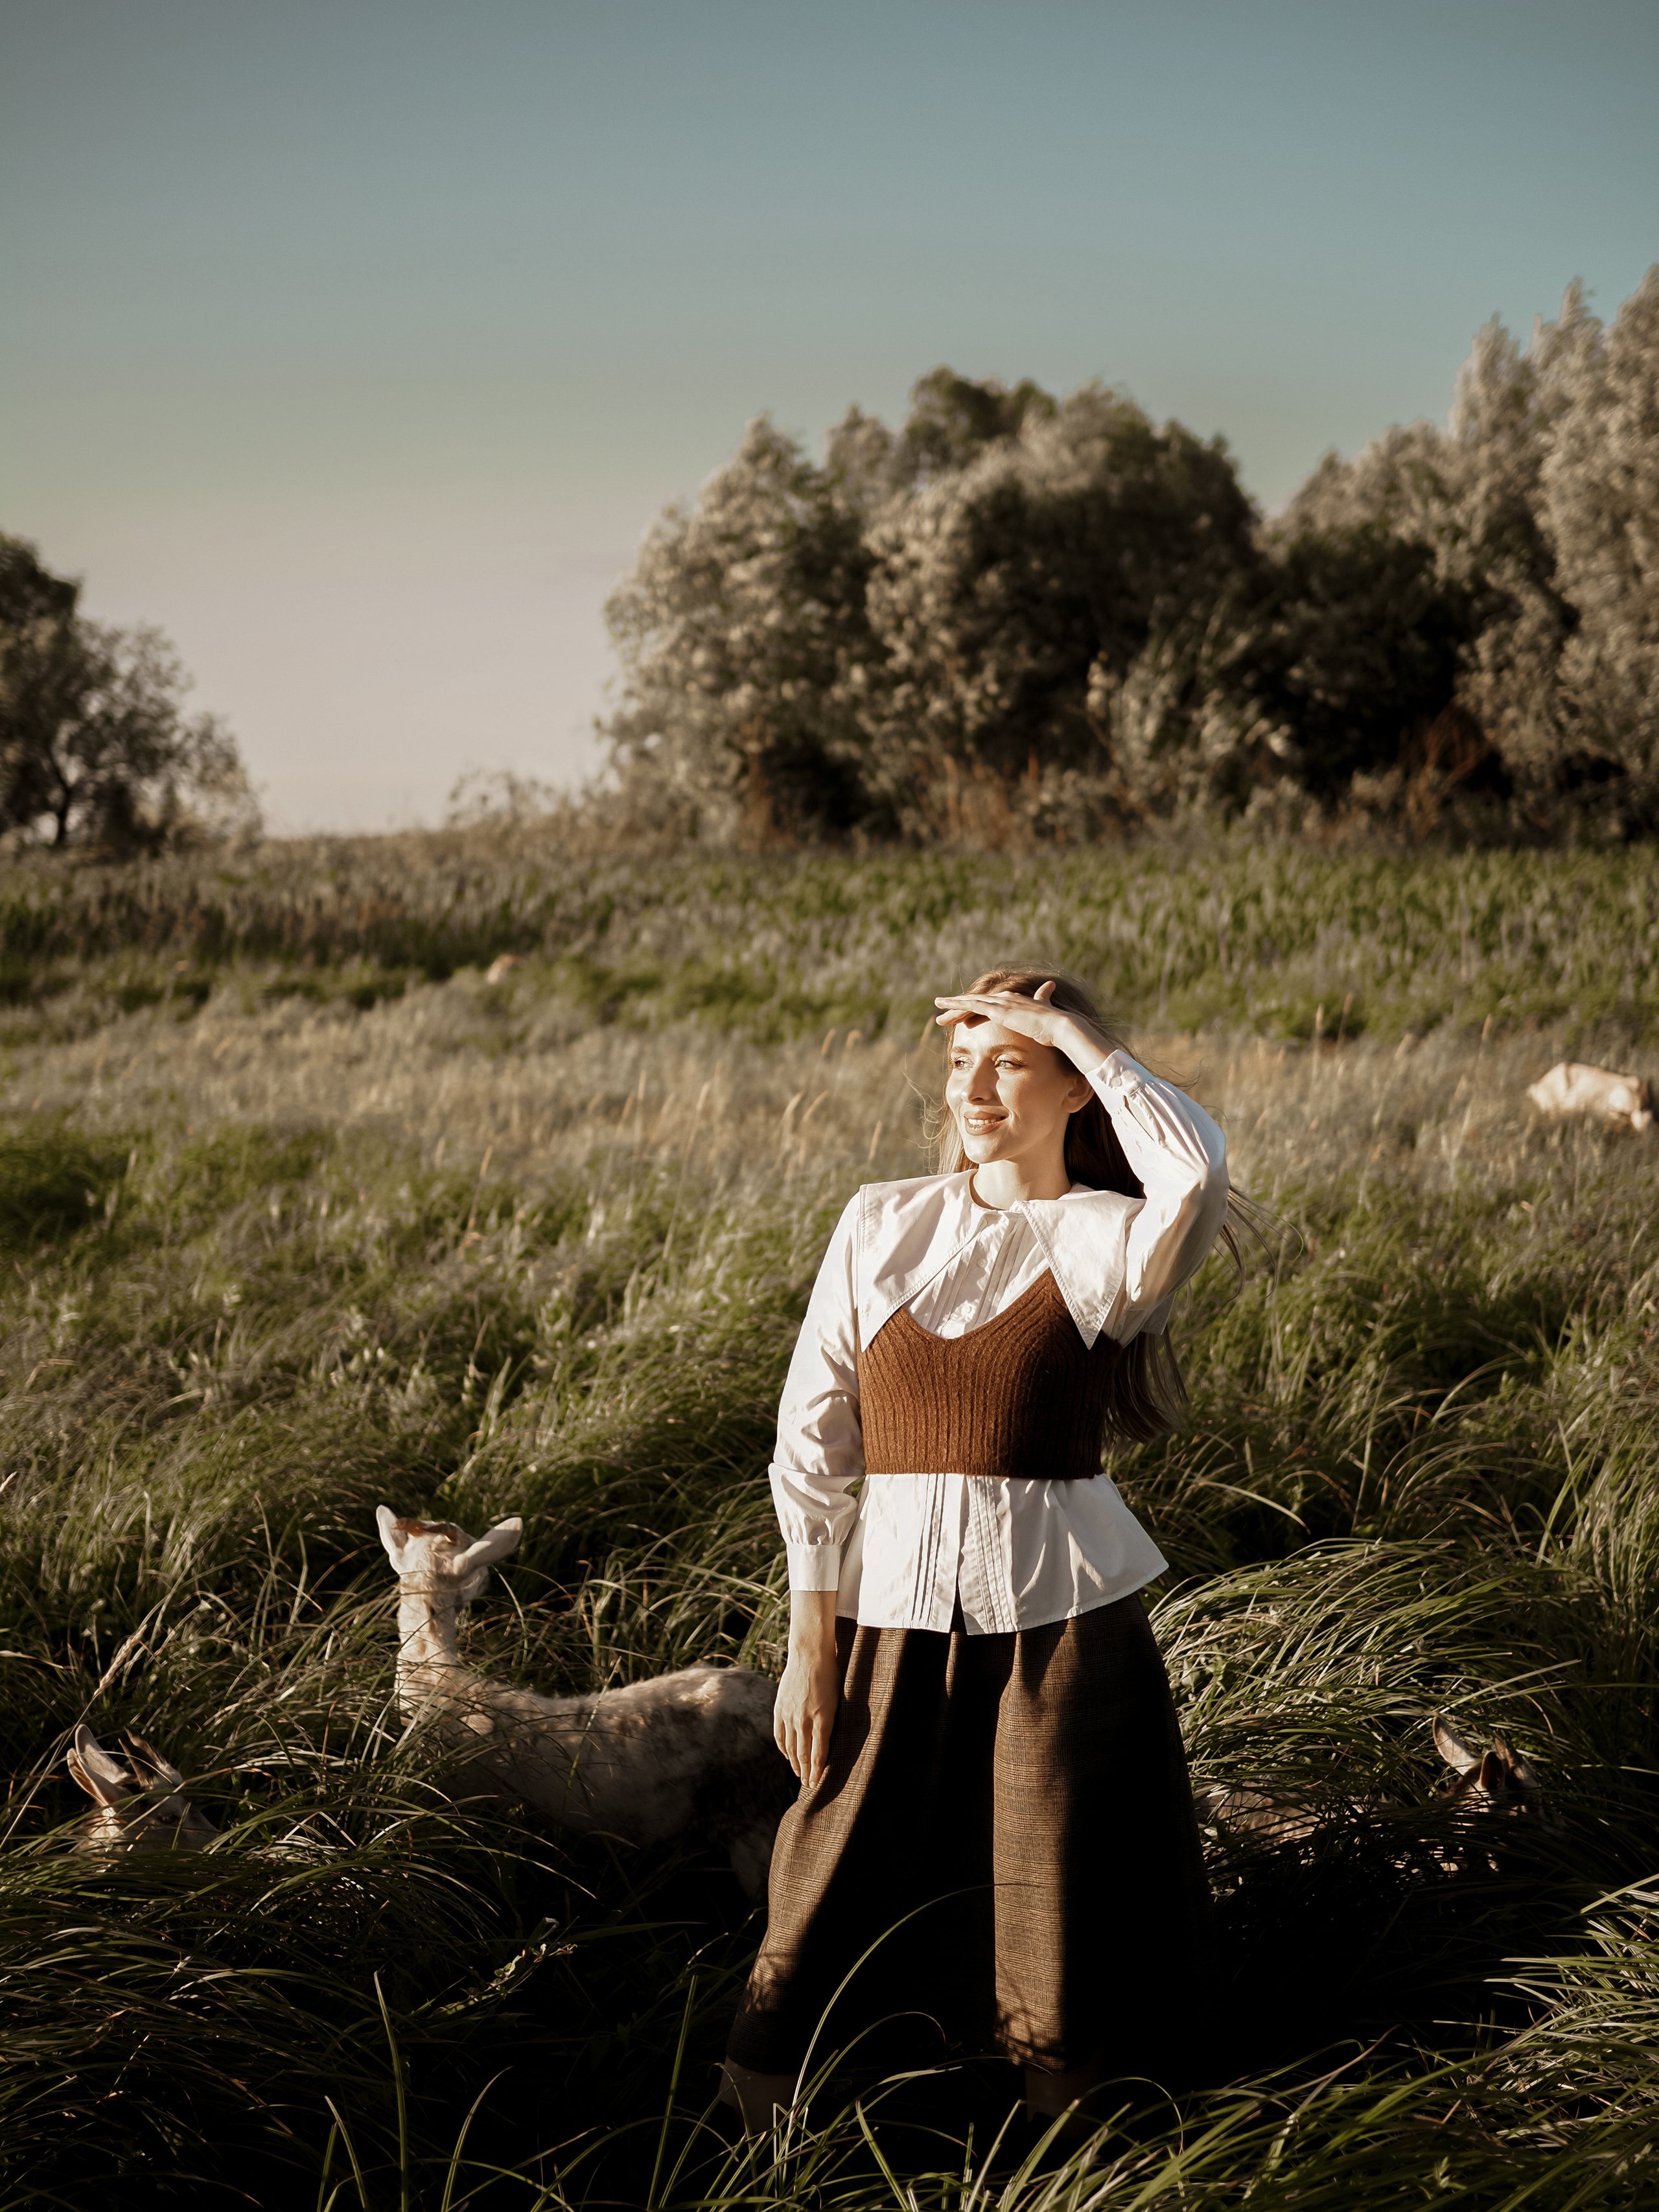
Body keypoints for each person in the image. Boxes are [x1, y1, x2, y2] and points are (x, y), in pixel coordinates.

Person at [719, 966, 1231, 2136]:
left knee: (1054, 1937)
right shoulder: (881, 1219)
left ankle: (1060, 2167)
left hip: (1064, 1636)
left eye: (1010, 1061)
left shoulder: (1107, 1244)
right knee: (817, 1896)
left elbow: (1194, 1170)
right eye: (961, 1063)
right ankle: (761, 2161)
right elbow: (811, 1442)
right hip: (886, 1626)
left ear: (1073, 1093)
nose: (976, 1087)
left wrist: (1074, 1030)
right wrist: (812, 1638)